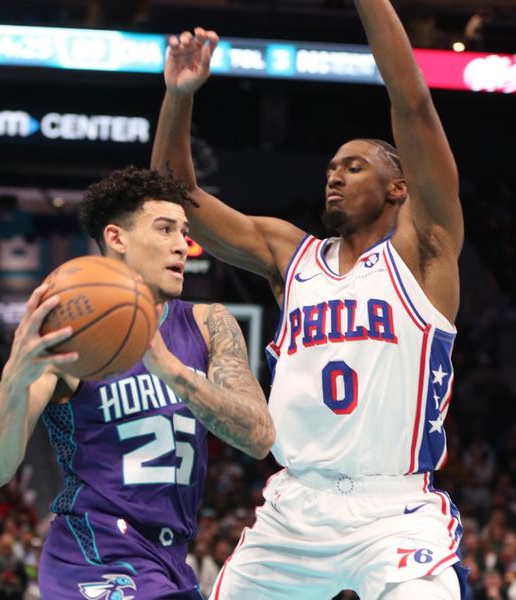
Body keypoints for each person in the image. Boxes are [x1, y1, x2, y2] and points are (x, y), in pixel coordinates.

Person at [151, 4, 468, 599]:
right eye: (331, 167)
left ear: (399, 187)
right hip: (294, 505)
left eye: (354, 166)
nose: (336, 176)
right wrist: (179, 97)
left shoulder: (425, 253)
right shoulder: (290, 256)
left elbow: (414, 104)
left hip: (393, 509)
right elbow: (176, 197)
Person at [0, 166, 275, 599]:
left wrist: (171, 369)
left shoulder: (209, 323)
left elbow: (260, 437)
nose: (182, 245)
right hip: (93, 551)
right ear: (117, 238)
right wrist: (13, 382)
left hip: (169, 559)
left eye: (184, 231)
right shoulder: (71, 335)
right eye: (165, 229)